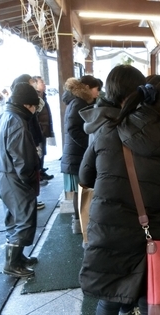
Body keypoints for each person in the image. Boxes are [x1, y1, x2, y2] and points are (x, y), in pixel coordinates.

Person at [78, 80, 160, 315]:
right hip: (152, 237)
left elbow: (85, 177)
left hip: (107, 230)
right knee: (151, 305)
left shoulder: (110, 128)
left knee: (109, 299)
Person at [79, 65, 147, 315]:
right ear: (130, 96)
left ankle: (123, 314)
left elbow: (86, 175)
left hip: (106, 216)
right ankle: (127, 313)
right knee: (136, 286)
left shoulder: (99, 119)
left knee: (109, 292)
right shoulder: (124, 123)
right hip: (130, 216)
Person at [0, 82, 41, 278]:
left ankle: (18, 258)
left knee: (14, 218)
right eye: (34, 106)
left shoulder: (6, 115)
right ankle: (12, 264)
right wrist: (29, 179)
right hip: (14, 176)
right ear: (27, 105)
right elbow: (23, 158)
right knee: (24, 219)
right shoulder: (17, 121)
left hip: (4, 173)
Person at [60, 75, 100, 234]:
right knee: (81, 191)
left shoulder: (76, 101)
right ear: (88, 88)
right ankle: (80, 224)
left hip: (74, 155)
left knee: (80, 192)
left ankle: (79, 224)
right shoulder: (79, 102)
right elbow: (73, 128)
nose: (98, 92)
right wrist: (89, 143)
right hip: (76, 156)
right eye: (97, 88)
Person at [10, 74, 47, 210]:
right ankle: (31, 200)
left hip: (33, 140)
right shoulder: (19, 121)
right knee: (24, 223)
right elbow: (22, 161)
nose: (35, 85)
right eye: (32, 83)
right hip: (18, 180)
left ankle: (32, 199)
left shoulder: (17, 113)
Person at [32, 76, 55, 181]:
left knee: (43, 152)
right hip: (39, 129)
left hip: (44, 129)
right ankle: (39, 173)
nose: (44, 84)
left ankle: (41, 170)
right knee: (39, 152)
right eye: (42, 82)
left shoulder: (42, 96)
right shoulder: (34, 97)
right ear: (35, 84)